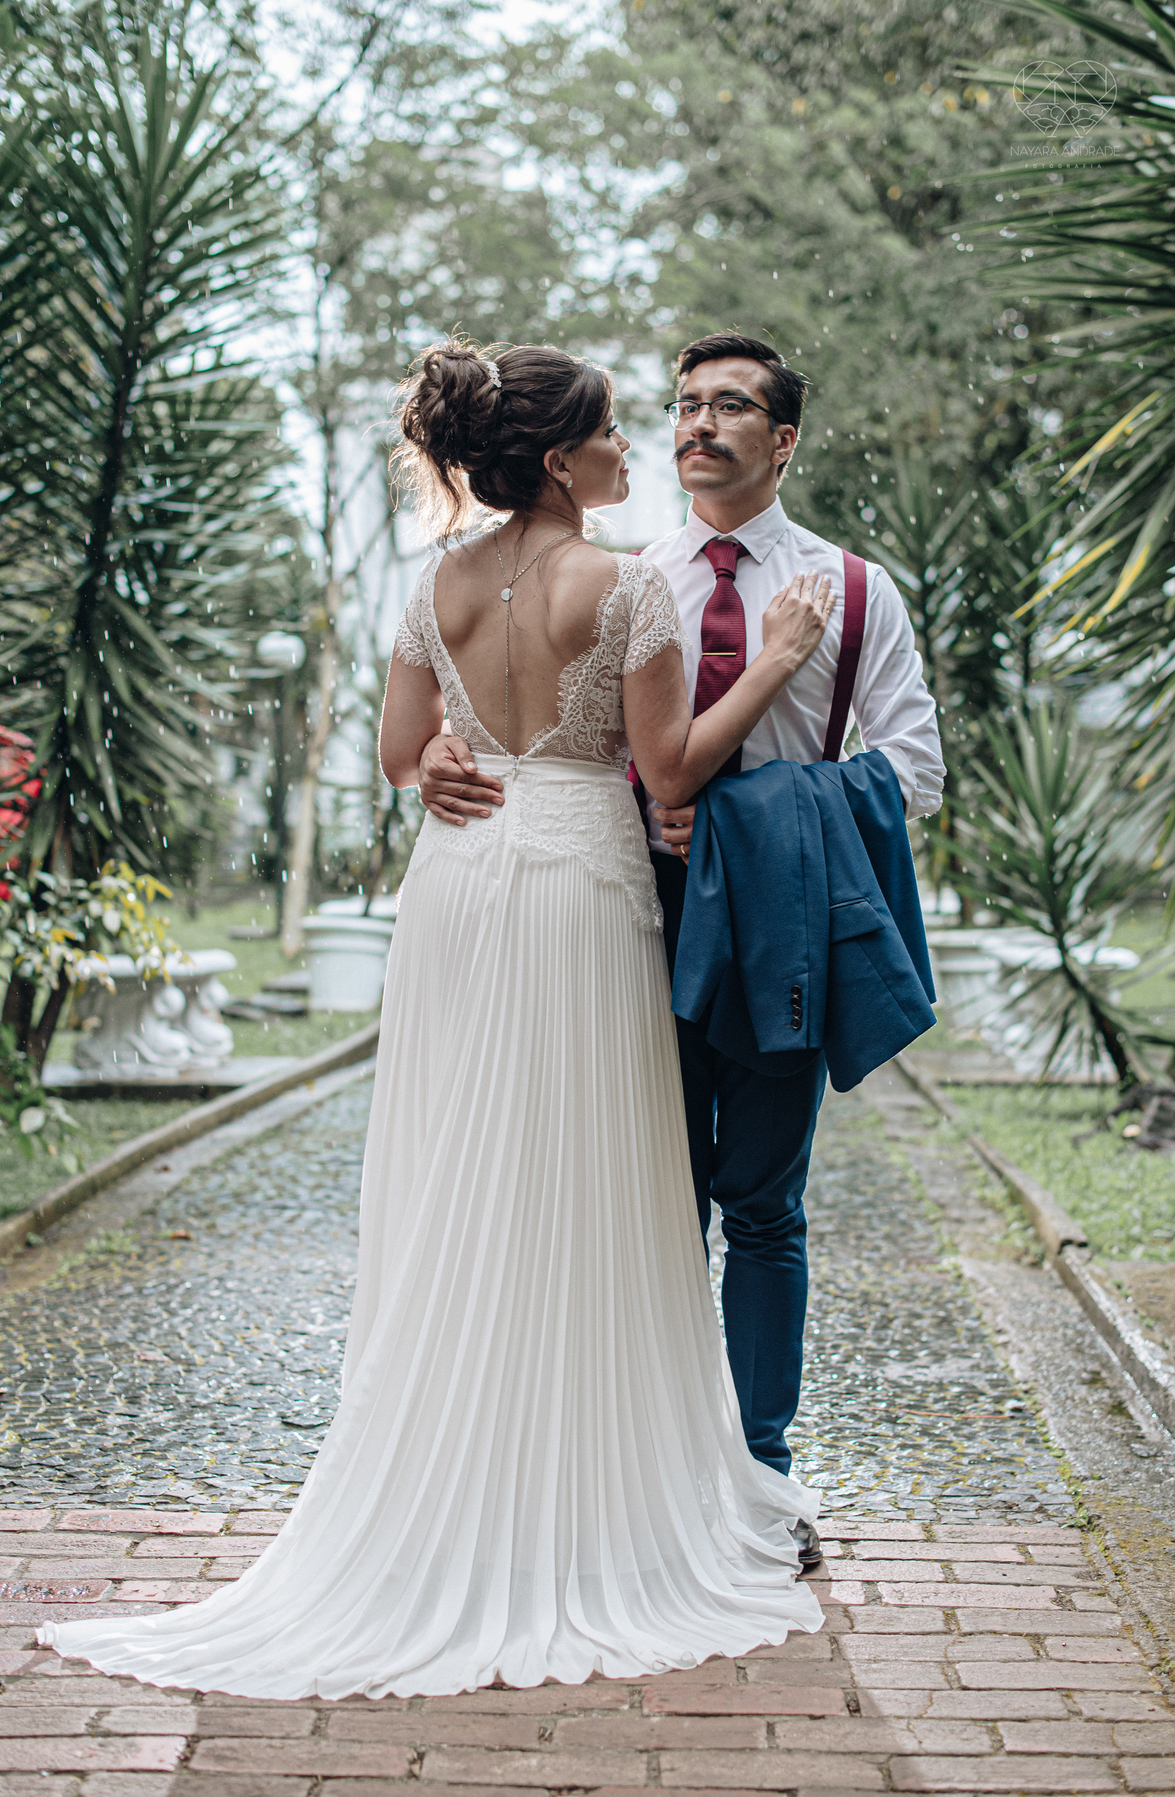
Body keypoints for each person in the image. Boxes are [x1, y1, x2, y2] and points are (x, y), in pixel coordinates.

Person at [38, 338, 836, 1702]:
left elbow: (406, 755)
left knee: (467, 1174)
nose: (631, 451)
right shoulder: (625, 582)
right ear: (558, 458)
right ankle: (576, 1495)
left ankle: (462, 1470)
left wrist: (451, 764)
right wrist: (777, 662)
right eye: (608, 435)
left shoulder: (438, 581)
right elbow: (670, 772)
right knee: (581, 1181)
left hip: (461, 894)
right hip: (580, 889)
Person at [419, 334, 944, 1561]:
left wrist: (753, 811)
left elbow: (912, 771)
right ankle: (634, 1478)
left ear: (785, 438)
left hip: (778, 924)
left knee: (761, 1203)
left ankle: (762, 1479)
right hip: (628, 919)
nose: (699, 424)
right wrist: (440, 760)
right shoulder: (622, 573)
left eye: (733, 406)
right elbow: (541, 726)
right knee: (634, 1202)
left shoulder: (852, 594)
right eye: (687, 404)